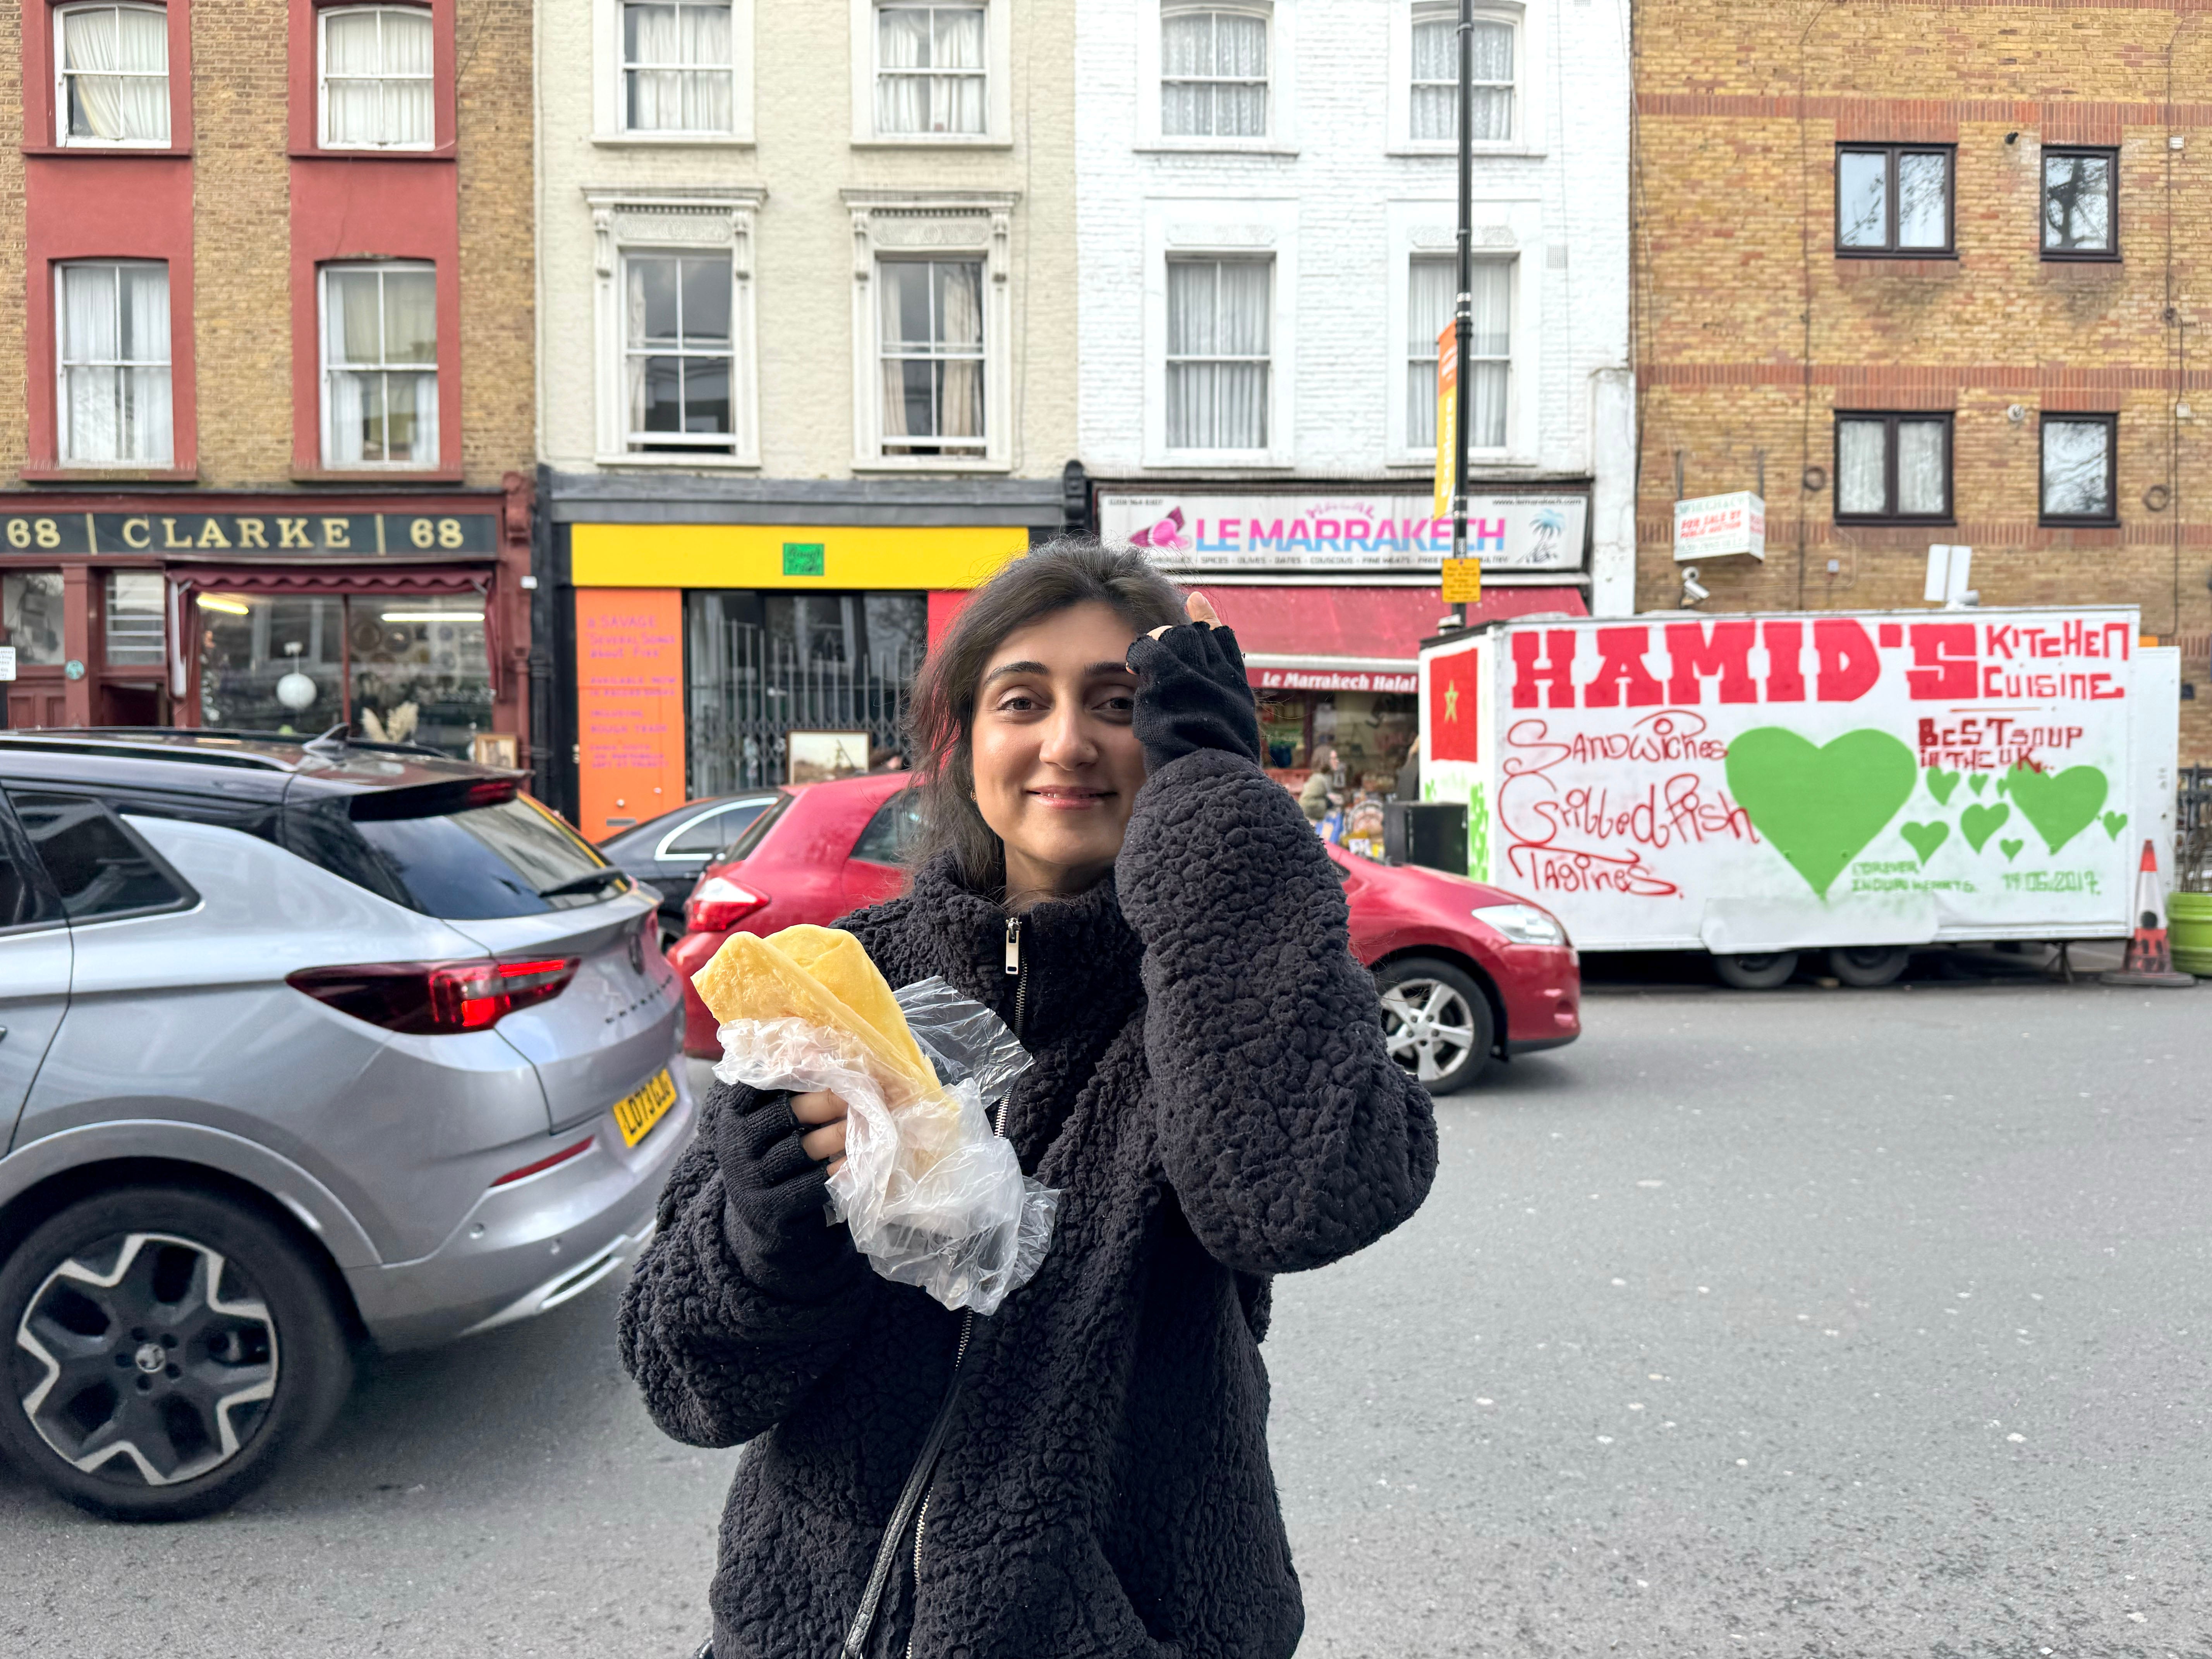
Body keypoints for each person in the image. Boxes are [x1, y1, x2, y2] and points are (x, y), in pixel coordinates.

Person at [620, 542, 1437, 1659]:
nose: (1069, 742)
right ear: (965, 741)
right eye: (1023, 700)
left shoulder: (1217, 988)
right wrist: (765, 1239)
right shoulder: (839, 981)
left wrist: (1216, 805)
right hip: (808, 1625)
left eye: (1120, 704)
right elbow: (685, 1377)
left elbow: (1298, 1198)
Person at [1299, 744, 1340, 823]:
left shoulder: (1325, 778)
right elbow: (1305, 804)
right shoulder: (1318, 779)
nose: (1337, 761)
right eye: (1334, 759)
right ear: (1325, 760)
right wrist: (1328, 803)